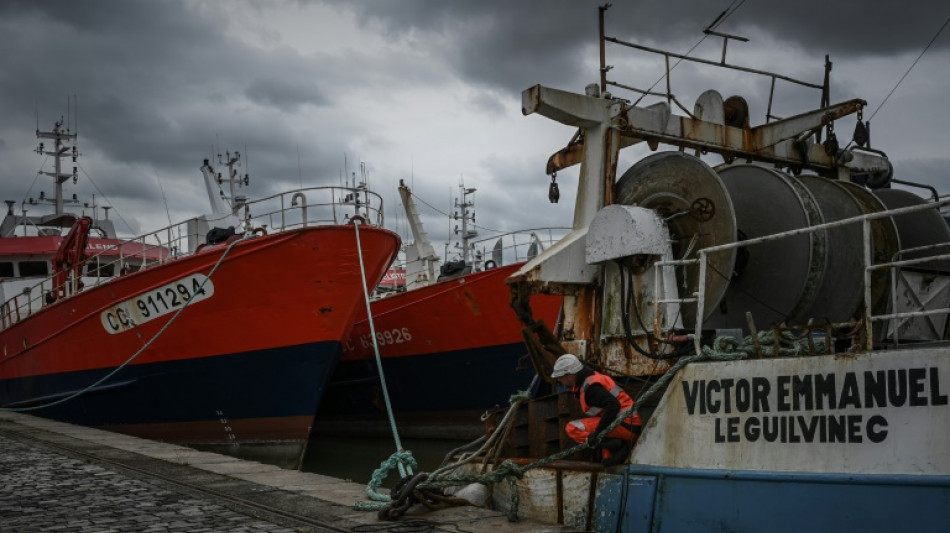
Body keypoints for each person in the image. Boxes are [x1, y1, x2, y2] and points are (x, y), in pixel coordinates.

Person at [551, 353, 642, 467]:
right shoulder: (591, 379)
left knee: (572, 428)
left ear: (570, 375)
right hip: (629, 424)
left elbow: (613, 406)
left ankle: (617, 445)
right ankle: (612, 452)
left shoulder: (591, 389)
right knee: (605, 459)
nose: (560, 380)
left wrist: (597, 432)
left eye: (560, 377)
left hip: (627, 426)